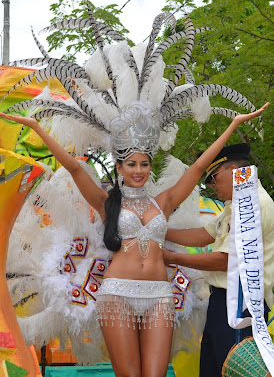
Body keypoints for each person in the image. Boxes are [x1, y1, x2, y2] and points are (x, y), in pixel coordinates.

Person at [0, 104, 268, 376]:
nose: (138, 170)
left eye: (144, 164)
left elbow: (198, 168)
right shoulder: (107, 203)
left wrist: (232, 125)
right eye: (131, 164)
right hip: (117, 295)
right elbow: (75, 169)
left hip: (160, 297)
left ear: (150, 166)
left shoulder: (163, 201)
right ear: (120, 167)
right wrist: (35, 127)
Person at [164, 141, 274, 377]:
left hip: (241, 305)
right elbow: (203, 235)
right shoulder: (235, 205)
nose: (211, 185)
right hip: (221, 303)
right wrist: (157, 230)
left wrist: (171, 257)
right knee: (213, 370)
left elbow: (226, 260)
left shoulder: (255, 205)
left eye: (213, 177)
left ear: (235, 172)